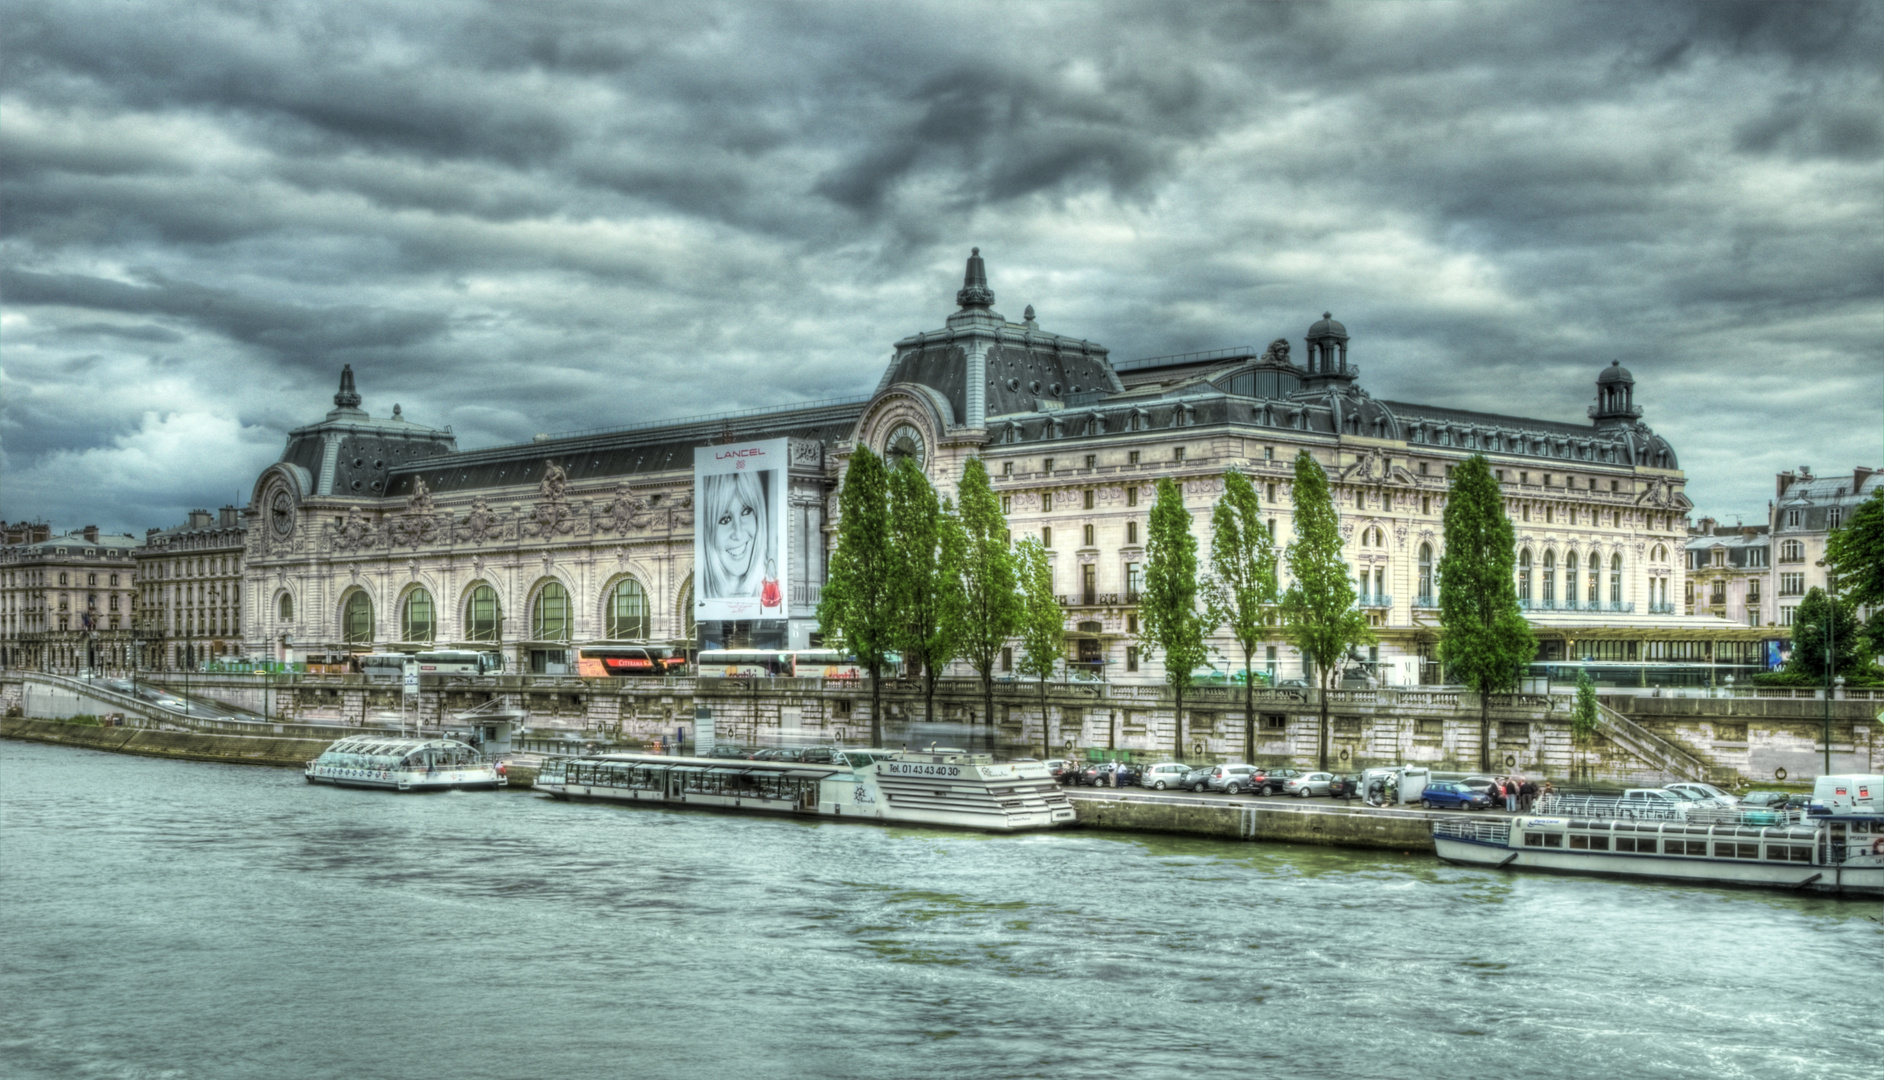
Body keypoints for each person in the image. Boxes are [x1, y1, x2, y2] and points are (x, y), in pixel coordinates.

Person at [700, 470, 773, 601]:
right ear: (707, 531)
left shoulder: (775, 591)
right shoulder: (700, 598)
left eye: (746, 511)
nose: (738, 533)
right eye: (725, 519)